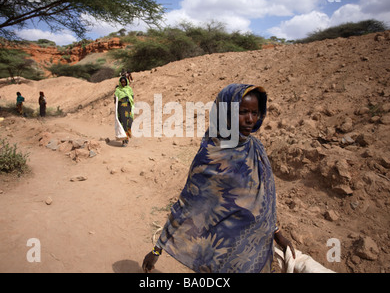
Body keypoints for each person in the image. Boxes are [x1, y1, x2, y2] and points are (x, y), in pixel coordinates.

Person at [142, 83, 295, 273]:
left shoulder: (256, 149)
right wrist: (157, 249)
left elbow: (262, 201)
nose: (250, 119)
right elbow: (188, 205)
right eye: (243, 112)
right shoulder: (211, 154)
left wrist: (277, 233)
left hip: (255, 254)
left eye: (255, 113)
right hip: (221, 255)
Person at [114, 76, 134, 146]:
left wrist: (131, 106)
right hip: (121, 108)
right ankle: (124, 140)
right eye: (122, 82)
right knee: (123, 124)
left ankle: (127, 136)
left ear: (126, 82)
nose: (123, 83)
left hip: (128, 108)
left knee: (129, 123)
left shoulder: (129, 89)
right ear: (120, 82)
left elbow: (132, 98)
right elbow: (115, 101)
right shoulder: (118, 90)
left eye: (124, 82)